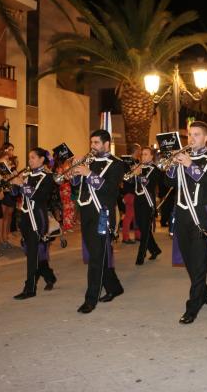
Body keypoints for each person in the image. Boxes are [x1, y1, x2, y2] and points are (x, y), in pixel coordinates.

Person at [165, 121, 207, 324]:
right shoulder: (181, 158)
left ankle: (193, 306)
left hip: (200, 215)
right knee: (189, 260)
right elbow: (169, 184)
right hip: (181, 215)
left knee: (198, 262)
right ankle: (203, 292)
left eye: (196, 134)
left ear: (206, 138)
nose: (192, 138)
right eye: (190, 134)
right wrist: (171, 165)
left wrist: (190, 164)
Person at [73, 130, 125, 314]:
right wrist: (76, 171)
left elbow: (110, 191)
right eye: (91, 142)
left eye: (96, 142)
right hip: (87, 213)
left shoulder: (117, 164)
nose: (92, 146)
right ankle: (114, 287)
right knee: (98, 254)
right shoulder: (90, 162)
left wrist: (88, 173)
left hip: (103, 215)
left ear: (106, 144)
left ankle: (90, 299)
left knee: (96, 258)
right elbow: (78, 187)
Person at [11, 148, 57, 299]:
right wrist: (13, 183)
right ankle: (49, 276)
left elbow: (40, 197)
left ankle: (29, 288)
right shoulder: (27, 175)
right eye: (29, 157)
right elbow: (15, 194)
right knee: (33, 251)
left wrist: (22, 185)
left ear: (42, 160)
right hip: (25, 218)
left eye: (33, 158)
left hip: (37, 219)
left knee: (32, 253)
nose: (29, 160)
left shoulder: (48, 177)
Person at [127, 146, 162, 265]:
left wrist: (139, 174)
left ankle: (140, 257)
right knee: (143, 228)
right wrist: (131, 175)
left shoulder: (154, 169)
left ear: (152, 156)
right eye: (142, 154)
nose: (143, 156)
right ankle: (155, 249)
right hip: (138, 201)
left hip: (148, 202)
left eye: (146, 154)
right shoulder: (139, 167)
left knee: (145, 230)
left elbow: (149, 183)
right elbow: (131, 183)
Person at [0, 148, 17, 249]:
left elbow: (13, 175)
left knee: (8, 215)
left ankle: (5, 236)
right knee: (1, 216)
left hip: (10, 189)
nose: (10, 154)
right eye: (9, 151)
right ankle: (0, 239)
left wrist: (12, 169)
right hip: (3, 189)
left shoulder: (11, 163)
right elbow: (3, 177)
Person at [121, 143, 141, 244]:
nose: (140, 152)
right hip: (129, 191)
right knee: (129, 215)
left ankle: (138, 235)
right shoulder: (125, 162)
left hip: (137, 191)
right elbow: (126, 178)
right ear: (135, 150)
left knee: (137, 215)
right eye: (139, 150)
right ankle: (125, 237)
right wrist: (133, 171)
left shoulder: (137, 161)